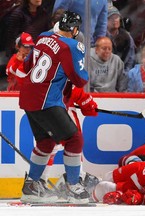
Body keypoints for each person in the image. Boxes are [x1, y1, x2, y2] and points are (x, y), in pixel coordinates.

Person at [19, 11, 90, 204]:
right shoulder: (72, 45)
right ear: (75, 29)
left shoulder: (42, 37)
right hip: (46, 100)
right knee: (74, 140)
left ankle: (31, 186)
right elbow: (80, 79)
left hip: (27, 97)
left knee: (46, 142)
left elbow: (26, 66)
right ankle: (73, 186)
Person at [106, 6, 136, 74]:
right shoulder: (101, 36)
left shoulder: (127, 37)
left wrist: (125, 74)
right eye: (111, 18)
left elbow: (130, 59)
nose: (115, 20)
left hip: (122, 74)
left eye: (116, 17)